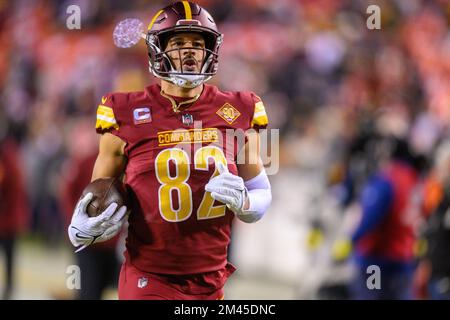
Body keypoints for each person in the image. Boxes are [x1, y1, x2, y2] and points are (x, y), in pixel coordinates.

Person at [67, 1, 272, 300]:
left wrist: (245, 203)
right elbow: (97, 191)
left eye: (197, 43)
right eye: (178, 43)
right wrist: (80, 225)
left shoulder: (239, 109)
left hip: (211, 278)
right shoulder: (124, 111)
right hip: (149, 274)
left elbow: (261, 191)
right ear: (157, 49)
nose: (189, 50)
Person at [0, 136, 29, 300]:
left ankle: (9, 287)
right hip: (8, 216)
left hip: (7, 218)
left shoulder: (9, 158)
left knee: (9, 255)